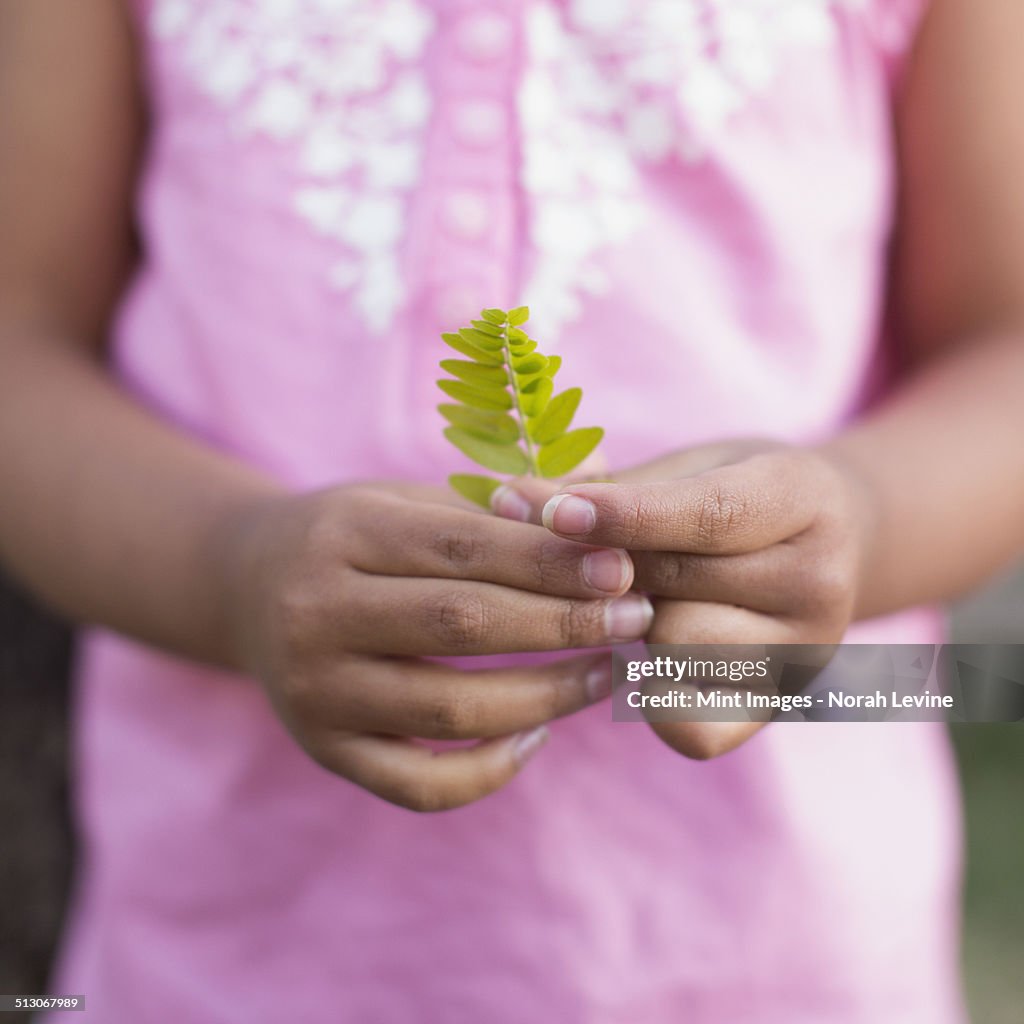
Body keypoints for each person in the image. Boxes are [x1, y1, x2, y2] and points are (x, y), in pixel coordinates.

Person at [2, 0, 1022, 1020]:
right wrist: (228, 570)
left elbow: (1003, 349)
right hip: (221, 957)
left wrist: (855, 526)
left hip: (783, 955)